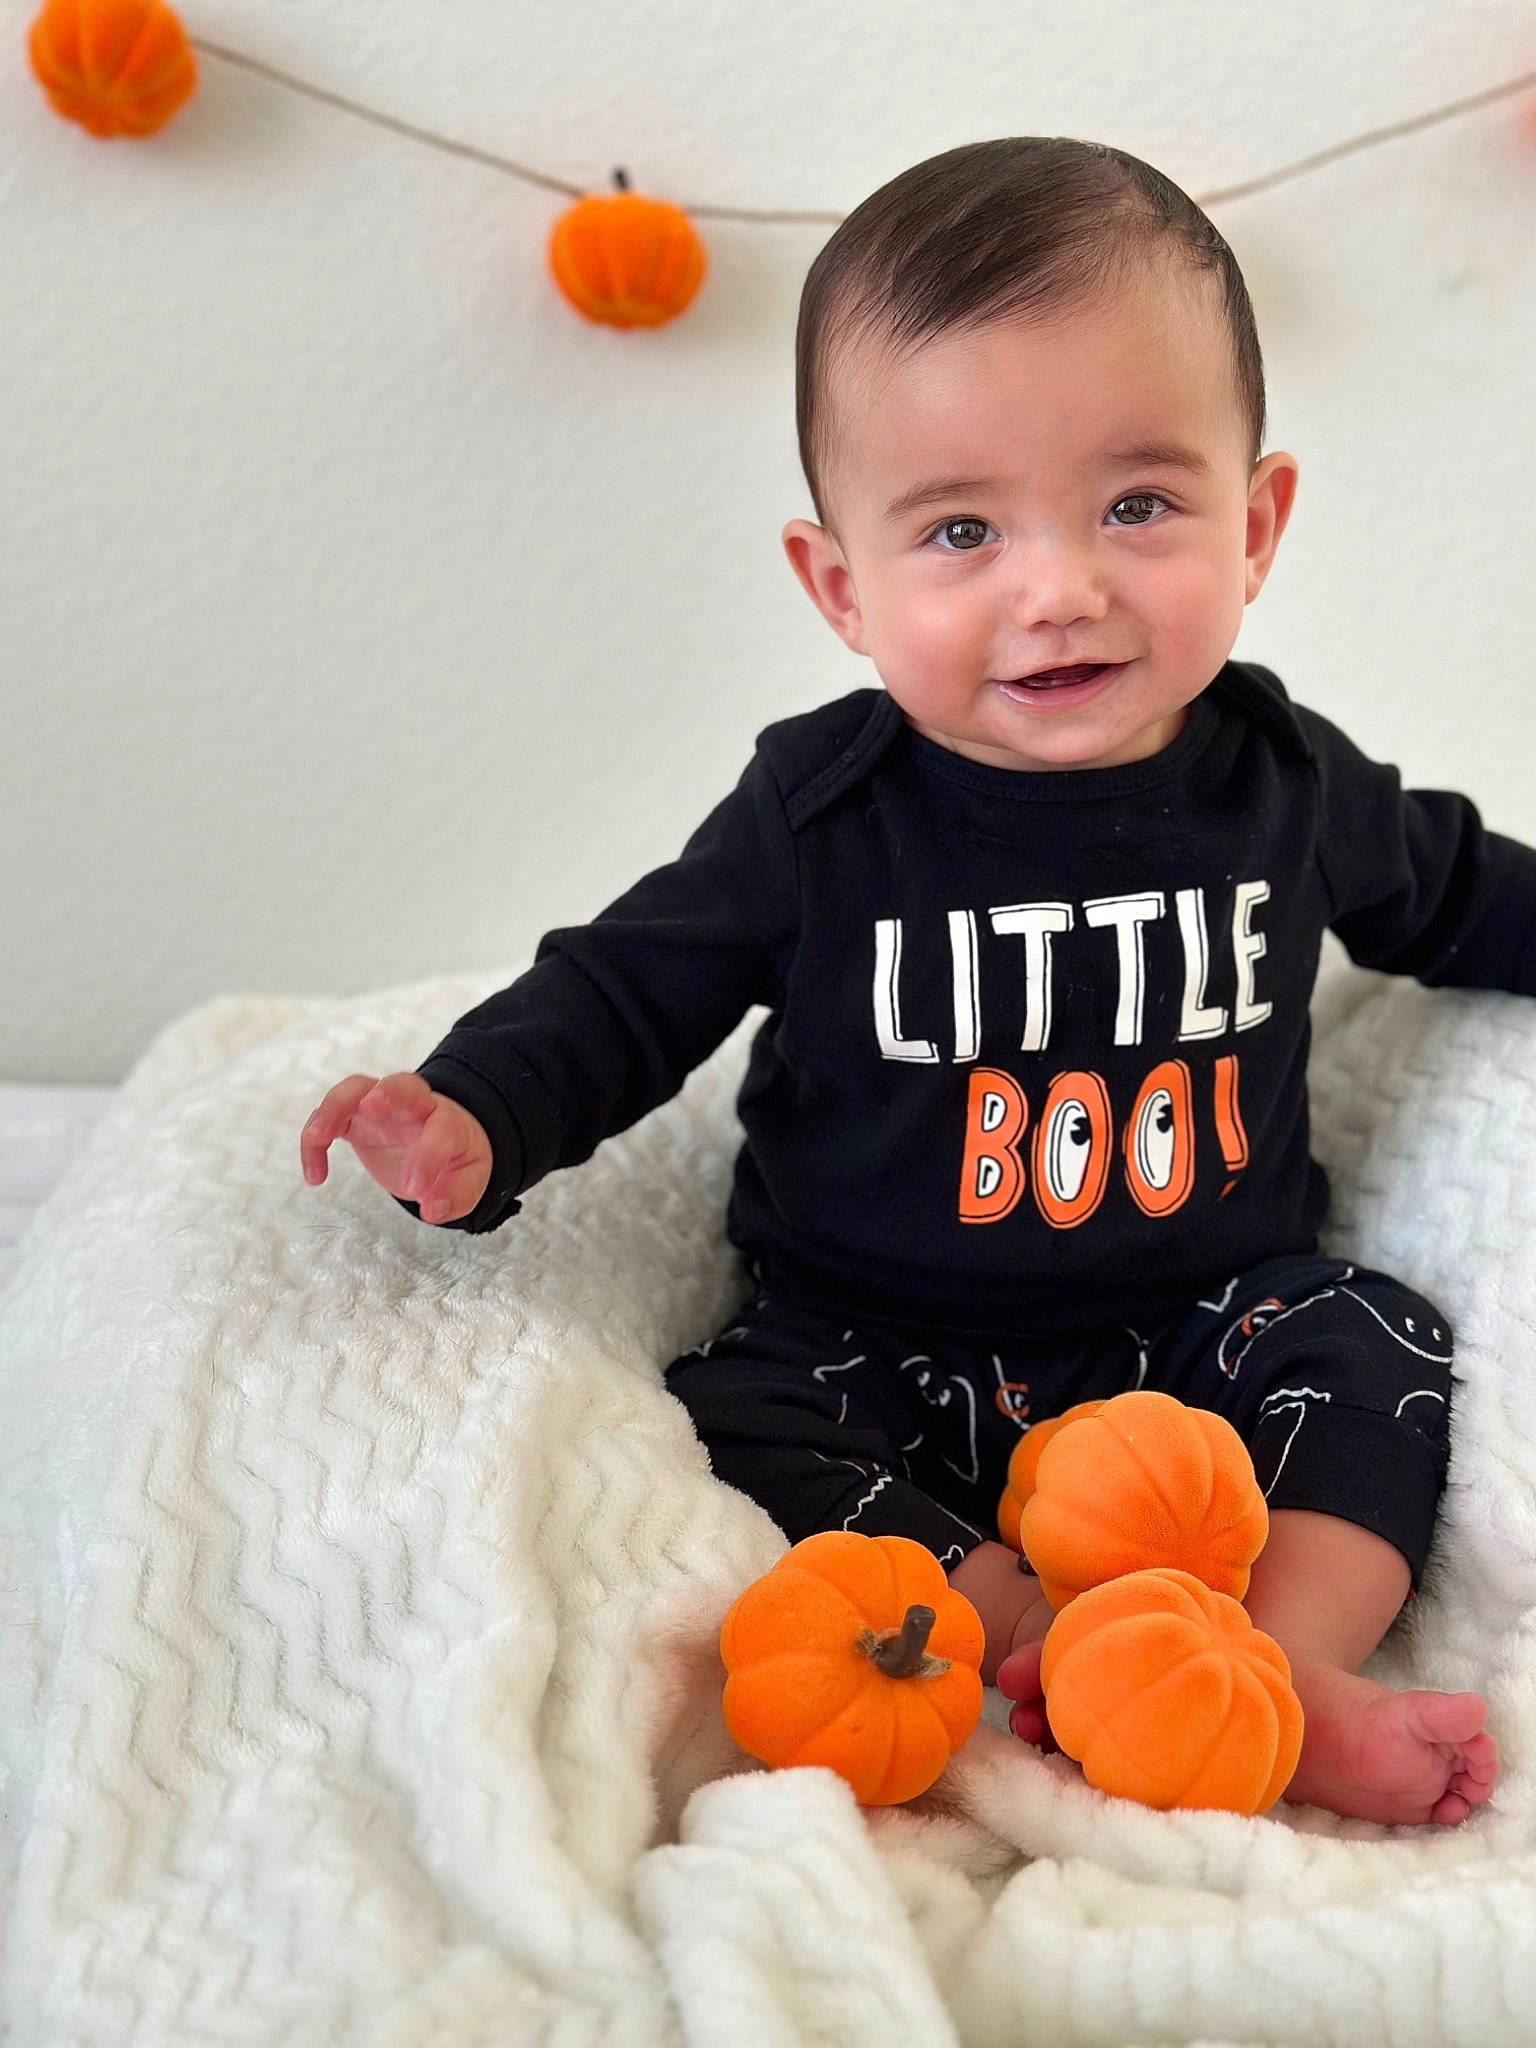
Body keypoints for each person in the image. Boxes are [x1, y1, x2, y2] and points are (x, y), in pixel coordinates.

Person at [300, 137, 1532, 1826]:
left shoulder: (1286, 784)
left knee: (1372, 1337)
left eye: (1138, 504)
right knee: (739, 1402)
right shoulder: (823, 815)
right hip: (883, 1341)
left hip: (1201, 1342)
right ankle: (1033, 1634)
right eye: (960, 528)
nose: (1058, 585)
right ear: (841, 587)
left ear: (1255, 527)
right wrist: (479, 1110)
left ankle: (1267, 1663)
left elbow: (1462, 894)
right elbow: (632, 981)